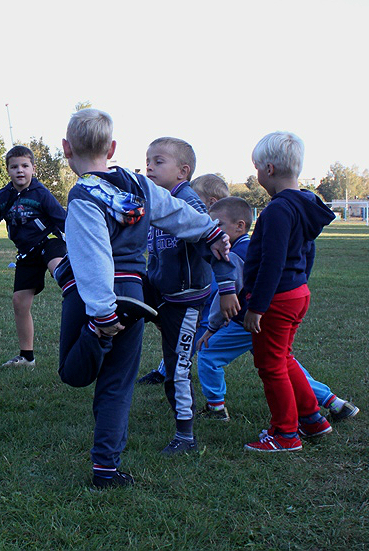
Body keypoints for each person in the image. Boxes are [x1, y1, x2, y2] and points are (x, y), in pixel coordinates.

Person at [54, 109, 231, 488]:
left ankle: (96, 338)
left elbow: (93, 256)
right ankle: (105, 470)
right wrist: (211, 232)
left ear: (66, 149)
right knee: (117, 385)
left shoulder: (83, 195)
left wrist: (101, 315)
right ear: (113, 148)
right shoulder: (138, 184)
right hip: (133, 296)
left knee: (72, 373)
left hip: (97, 299)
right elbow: (177, 212)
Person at [195, 196, 359, 423]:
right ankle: (335, 403)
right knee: (284, 362)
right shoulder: (255, 246)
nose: (214, 230)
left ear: (240, 225)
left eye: (218, 225)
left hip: (247, 321)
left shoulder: (234, 255)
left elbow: (225, 297)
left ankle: (216, 408)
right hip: (270, 314)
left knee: (207, 353)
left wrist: (212, 327)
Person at [139, 139, 239, 456]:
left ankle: (186, 435)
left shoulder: (189, 204)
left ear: (183, 171)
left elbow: (216, 246)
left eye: (158, 161)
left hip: (186, 301)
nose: (149, 167)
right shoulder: (159, 199)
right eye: (147, 161)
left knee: (178, 368)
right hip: (161, 293)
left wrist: (226, 290)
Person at [240, 131, 336, 452]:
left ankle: (285, 434)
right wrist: (300, 283)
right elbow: (307, 253)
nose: (256, 175)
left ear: (268, 169)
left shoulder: (279, 209)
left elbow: (272, 262)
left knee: (270, 365)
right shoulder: (306, 204)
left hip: (277, 298)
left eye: (256, 168)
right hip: (296, 293)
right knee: (284, 357)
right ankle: (312, 419)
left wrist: (258, 306)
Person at [0, 145, 67, 368]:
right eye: (14, 166)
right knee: (19, 302)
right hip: (27, 253)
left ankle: (86, 304)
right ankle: (27, 357)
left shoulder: (42, 194)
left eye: (25, 166)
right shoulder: (2, 198)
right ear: (8, 170)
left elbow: (63, 219)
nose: (20, 170)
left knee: (59, 270)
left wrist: (83, 243)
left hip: (49, 242)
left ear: (33, 169)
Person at [138, 173, 232, 387]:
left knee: (190, 334)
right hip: (179, 295)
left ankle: (173, 373)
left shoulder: (214, 239)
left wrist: (228, 292)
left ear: (210, 203)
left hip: (208, 298)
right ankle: (166, 370)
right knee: (182, 335)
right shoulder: (186, 226)